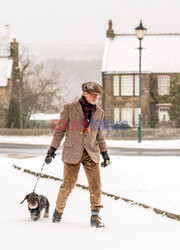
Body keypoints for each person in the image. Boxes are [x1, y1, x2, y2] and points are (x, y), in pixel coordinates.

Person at [45, 82, 110, 228]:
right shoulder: (69, 108)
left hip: (91, 153)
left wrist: (105, 154)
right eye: (92, 95)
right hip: (72, 151)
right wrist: (52, 149)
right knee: (68, 185)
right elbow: (60, 131)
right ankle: (58, 211)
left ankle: (95, 217)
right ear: (84, 93)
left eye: (97, 95)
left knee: (96, 186)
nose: (95, 98)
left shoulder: (99, 111)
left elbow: (99, 134)